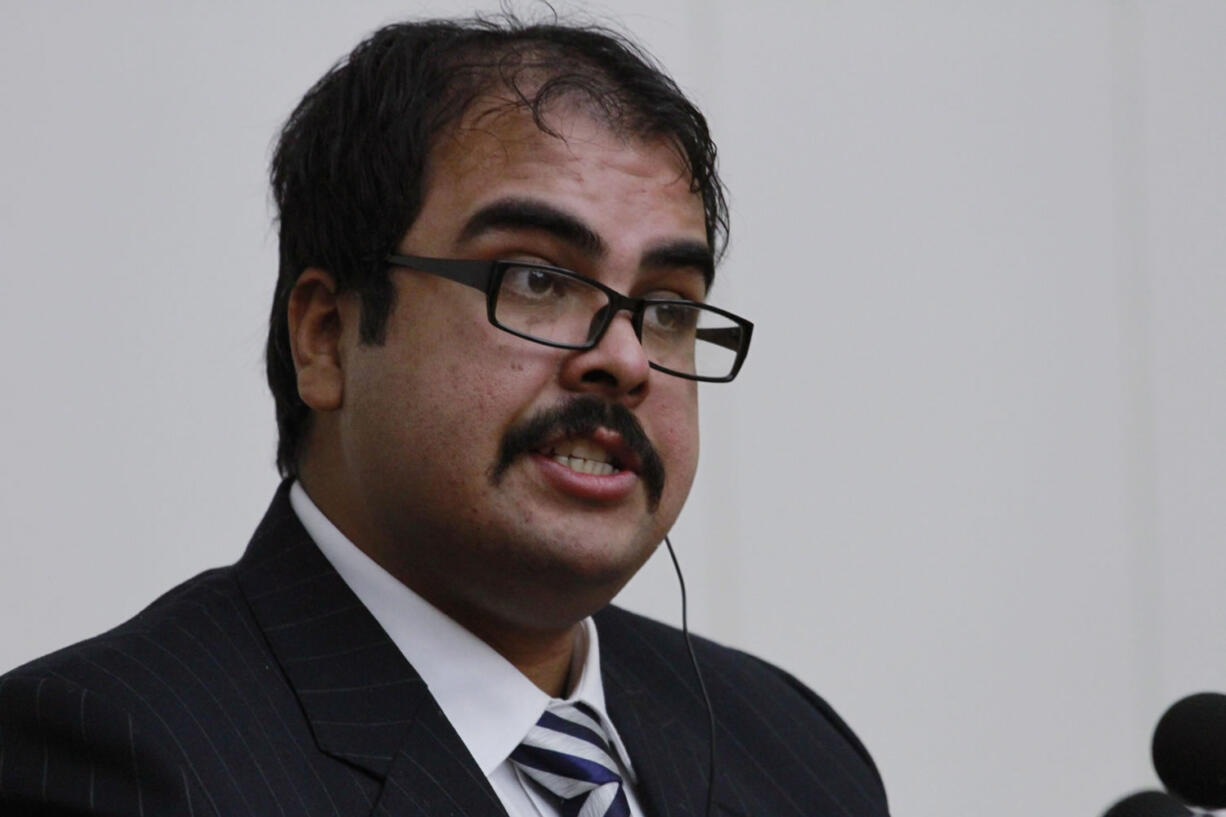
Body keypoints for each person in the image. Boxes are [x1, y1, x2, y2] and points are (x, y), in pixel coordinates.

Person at [0, 15, 888, 816]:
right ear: (326, 337)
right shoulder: (117, 757)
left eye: (666, 307)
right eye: (537, 281)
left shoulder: (795, 754)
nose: (622, 358)